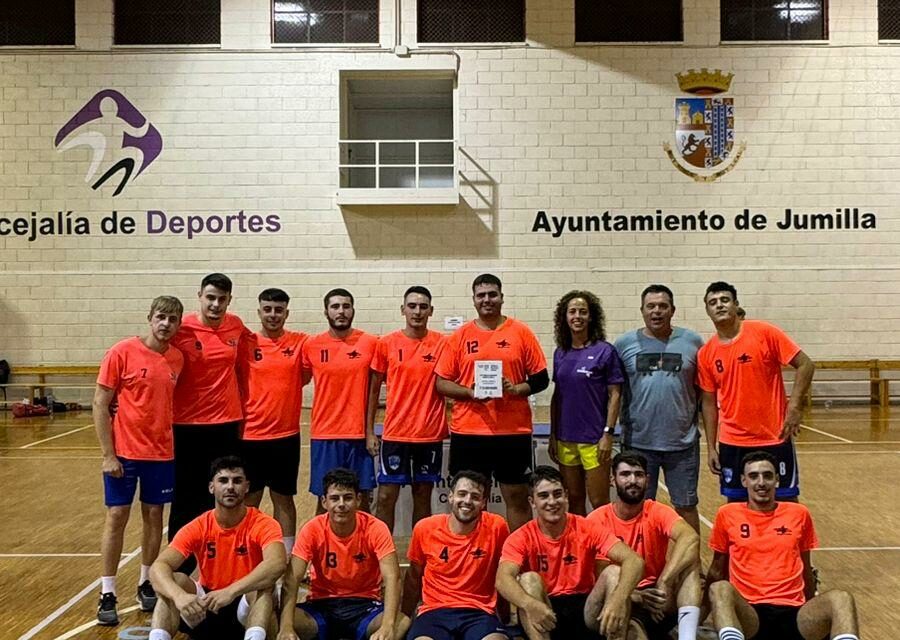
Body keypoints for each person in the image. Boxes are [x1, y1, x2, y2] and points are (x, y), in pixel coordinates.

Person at [93, 295, 185, 625]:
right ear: (149, 318)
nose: (166, 324)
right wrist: (108, 454)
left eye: (173, 319)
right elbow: (100, 404)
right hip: (124, 454)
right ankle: (107, 592)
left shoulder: (177, 358)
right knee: (117, 516)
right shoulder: (122, 352)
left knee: (154, 517)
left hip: (161, 453)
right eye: (161, 317)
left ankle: (145, 582)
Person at [435, 274, 549, 531]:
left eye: (492, 294)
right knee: (471, 498)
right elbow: (441, 383)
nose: (487, 300)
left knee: (517, 496)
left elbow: (541, 378)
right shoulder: (460, 337)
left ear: (501, 297)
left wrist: (516, 388)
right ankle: (475, 559)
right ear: (474, 300)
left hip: (512, 431)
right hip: (470, 432)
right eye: (481, 295)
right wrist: (470, 393)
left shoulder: (521, 332)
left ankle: (518, 558)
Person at [706, 451, 860, 640]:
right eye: (753, 476)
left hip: (794, 614)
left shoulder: (799, 513)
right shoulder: (727, 514)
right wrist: (702, 612)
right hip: (750, 616)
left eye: (768, 476)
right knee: (720, 588)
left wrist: (814, 607)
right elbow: (716, 570)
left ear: (777, 480)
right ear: (744, 481)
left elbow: (805, 567)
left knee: (841, 598)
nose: (761, 482)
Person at [496, 466, 644, 640]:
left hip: (586, 609)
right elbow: (502, 579)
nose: (552, 502)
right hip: (545, 609)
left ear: (566, 496)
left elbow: (634, 560)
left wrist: (618, 599)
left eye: (557, 494)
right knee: (528, 580)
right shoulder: (521, 536)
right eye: (544, 496)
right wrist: (528, 604)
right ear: (532, 502)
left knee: (614, 573)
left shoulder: (586, 527)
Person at [698, 281, 815, 501]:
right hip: (732, 442)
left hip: (774, 436)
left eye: (725, 300)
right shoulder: (706, 353)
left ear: (735, 304)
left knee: (785, 501)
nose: (719, 306)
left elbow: (806, 364)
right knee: (736, 504)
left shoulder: (764, 332)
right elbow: (708, 403)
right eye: (713, 302)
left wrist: (795, 406)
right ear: (707, 310)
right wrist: (711, 447)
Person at [149, 456, 286, 640]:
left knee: (264, 588)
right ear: (211, 487)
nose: (230, 487)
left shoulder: (264, 524)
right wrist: (179, 596)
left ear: (247, 487)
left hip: (244, 607)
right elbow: (158, 567)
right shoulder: (199, 525)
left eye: (237, 481)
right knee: (176, 580)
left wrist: (230, 591)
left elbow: (277, 563)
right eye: (223, 480)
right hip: (206, 605)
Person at [278, 468, 409, 640]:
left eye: (347, 497)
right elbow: (292, 578)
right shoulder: (312, 528)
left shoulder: (375, 528)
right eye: (334, 498)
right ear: (324, 502)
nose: (341, 504)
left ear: (358, 500)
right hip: (321, 605)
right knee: (276, 621)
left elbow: (393, 577)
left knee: (402, 622)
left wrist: (387, 626)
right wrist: (286, 628)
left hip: (364, 605)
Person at [169, 273, 249, 551]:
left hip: (226, 425)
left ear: (229, 300)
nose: (216, 304)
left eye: (222, 299)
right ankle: (181, 561)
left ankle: (220, 554)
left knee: (223, 494)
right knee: (186, 495)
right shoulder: (181, 328)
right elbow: (152, 357)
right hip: (186, 426)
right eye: (211, 298)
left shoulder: (236, 326)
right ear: (200, 296)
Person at [614, 284, 704, 532]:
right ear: (642, 311)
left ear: (672, 310)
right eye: (651, 306)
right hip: (639, 443)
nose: (657, 311)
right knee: (639, 507)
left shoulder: (693, 342)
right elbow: (614, 392)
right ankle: (644, 563)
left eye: (663, 306)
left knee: (686, 506)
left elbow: (703, 391)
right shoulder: (624, 344)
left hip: (682, 444)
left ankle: (691, 568)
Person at [588, 452, 702, 640]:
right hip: (616, 597)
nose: (632, 480)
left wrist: (664, 579)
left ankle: (687, 636)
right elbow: (600, 574)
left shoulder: (656, 510)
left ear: (647, 480)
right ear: (612, 480)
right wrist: (634, 594)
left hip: (655, 597)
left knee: (690, 562)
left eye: (638, 474)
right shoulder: (597, 519)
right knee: (614, 574)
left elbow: (690, 537)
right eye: (625, 474)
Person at [368, 285, 448, 533]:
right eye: (412, 306)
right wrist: (369, 431)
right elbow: (372, 391)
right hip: (395, 434)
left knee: (423, 496)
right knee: (385, 497)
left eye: (423, 306)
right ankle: (382, 558)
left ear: (431, 311)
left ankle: (419, 560)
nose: (417, 311)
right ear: (403, 309)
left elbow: (449, 384)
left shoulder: (442, 344)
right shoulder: (386, 343)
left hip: (429, 434)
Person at [402, 470, 510, 640]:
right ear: (450, 497)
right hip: (434, 612)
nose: (467, 501)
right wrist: (405, 616)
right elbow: (413, 577)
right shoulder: (425, 528)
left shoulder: (497, 527)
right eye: (462, 494)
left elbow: (503, 575)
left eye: (475, 496)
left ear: (483, 502)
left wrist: (505, 618)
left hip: (479, 612)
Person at [240, 288, 308, 554]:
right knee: (250, 499)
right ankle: (245, 553)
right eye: (267, 309)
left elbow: (305, 376)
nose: (273, 315)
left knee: (284, 499)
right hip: (250, 437)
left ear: (286, 313)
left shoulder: (300, 342)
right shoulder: (246, 342)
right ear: (259, 312)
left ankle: (288, 557)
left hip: (286, 437)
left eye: (278, 310)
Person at [302, 288, 379, 511]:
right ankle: (318, 546)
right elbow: (298, 380)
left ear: (353, 310)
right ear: (326, 312)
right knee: (325, 499)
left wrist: (370, 431)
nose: (341, 311)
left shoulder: (370, 343)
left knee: (361, 499)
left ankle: (362, 546)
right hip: (325, 435)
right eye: (335, 307)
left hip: (358, 435)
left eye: (346, 306)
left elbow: (375, 391)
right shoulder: (311, 345)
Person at [549, 290, 623, 514]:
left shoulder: (605, 351)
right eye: (572, 311)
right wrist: (553, 434)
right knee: (573, 500)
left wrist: (608, 433)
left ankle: (603, 548)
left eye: (583, 311)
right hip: (565, 438)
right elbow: (558, 395)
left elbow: (615, 395)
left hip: (594, 439)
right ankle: (579, 548)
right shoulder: (560, 353)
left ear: (591, 316)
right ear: (565, 317)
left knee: (599, 502)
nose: (577, 316)